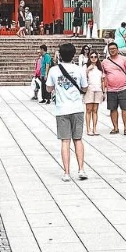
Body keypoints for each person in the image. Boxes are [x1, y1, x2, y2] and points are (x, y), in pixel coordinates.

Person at [46, 41, 88, 182]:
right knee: (78, 139)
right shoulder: (80, 69)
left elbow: (48, 89)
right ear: (73, 54)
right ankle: (81, 169)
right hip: (77, 108)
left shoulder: (53, 70)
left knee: (65, 141)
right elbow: (84, 88)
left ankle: (67, 172)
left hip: (62, 109)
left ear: (60, 55)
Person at [101, 41, 126, 135]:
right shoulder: (105, 62)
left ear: (117, 49)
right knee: (113, 109)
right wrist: (103, 89)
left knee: (125, 108)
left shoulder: (124, 59)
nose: (112, 51)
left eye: (114, 49)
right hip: (111, 89)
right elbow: (103, 76)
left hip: (124, 87)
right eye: (110, 49)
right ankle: (115, 127)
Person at [85, 50, 104, 135]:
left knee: (95, 110)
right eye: (91, 57)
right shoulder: (86, 66)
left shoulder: (100, 68)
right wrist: (87, 70)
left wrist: (104, 91)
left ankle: (95, 128)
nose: (93, 58)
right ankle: (88, 128)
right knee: (89, 109)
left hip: (98, 89)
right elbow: (82, 77)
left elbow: (103, 80)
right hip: (89, 89)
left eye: (95, 57)